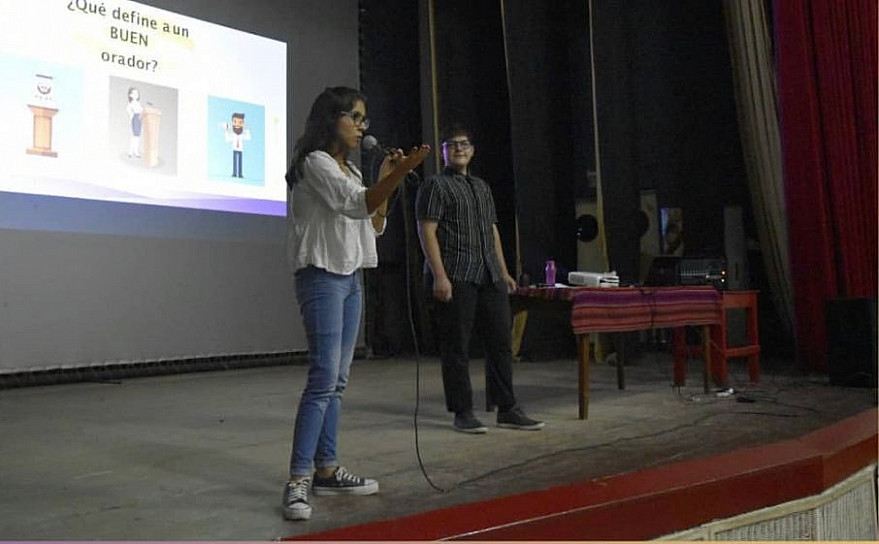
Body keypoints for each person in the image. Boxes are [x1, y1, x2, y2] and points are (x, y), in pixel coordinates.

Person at [282, 86, 430, 521]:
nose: (363, 126)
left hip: (350, 279)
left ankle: (327, 469)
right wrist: (398, 174)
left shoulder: (348, 168)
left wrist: (387, 177)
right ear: (332, 119)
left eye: (365, 119)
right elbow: (355, 205)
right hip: (322, 277)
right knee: (323, 379)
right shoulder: (315, 163)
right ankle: (297, 479)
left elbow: (373, 222)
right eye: (355, 117)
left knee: (339, 380)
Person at [416, 125, 544, 434]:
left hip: (489, 274)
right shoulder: (435, 185)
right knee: (456, 347)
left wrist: (504, 271)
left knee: (501, 342)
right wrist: (439, 275)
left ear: (472, 150)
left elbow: (492, 231)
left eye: (464, 144)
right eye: (452, 145)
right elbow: (427, 230)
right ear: (443, 151)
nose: (459, 149)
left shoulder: (482, 187)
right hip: (456, 274)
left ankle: (506, 408)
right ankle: (462, 412)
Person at [126, 87, 143, 158]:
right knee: (135, 136)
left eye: (137, 93)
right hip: (135, 118)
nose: (136, 95)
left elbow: (141, 110)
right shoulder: (132, 103)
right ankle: (131, 152)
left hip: (139, 119)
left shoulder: (138, 103)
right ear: (130, 95)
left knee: (137, 136)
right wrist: (132, 116)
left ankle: (136, 151)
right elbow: (128, 109)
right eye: (134, 93)